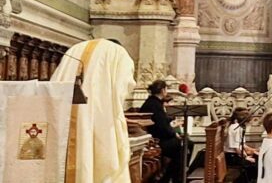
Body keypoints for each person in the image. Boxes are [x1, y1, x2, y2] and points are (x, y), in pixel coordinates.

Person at [50, 38, 136, 183]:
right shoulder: (118, 53)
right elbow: (124, 88)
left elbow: (53, 87)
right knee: (94, 165)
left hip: (62, 119)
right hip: (99, 119)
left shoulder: (74, 50)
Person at [141, 79, 191, 183]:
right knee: (181, 144)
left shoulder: (153, 102)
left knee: (186, 143)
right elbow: (162, 127)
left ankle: (173, 175)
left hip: (156, 136)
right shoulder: (155, 105)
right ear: (163, 90)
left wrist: (171, 121)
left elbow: (161, 120)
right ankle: (174, 177)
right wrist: (175, 134)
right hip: (157, 140)